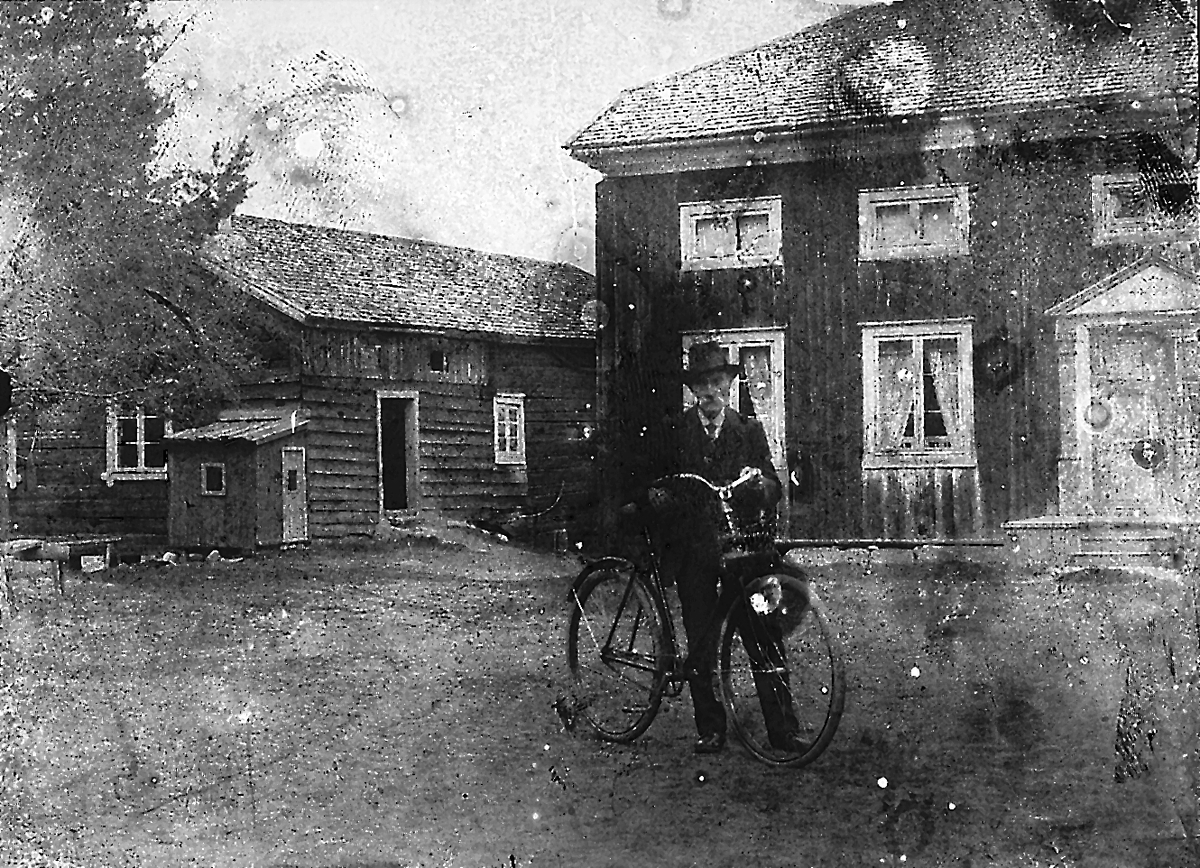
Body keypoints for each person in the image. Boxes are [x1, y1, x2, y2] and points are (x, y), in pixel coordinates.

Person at [644, 341, 800, 755]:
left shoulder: (748, 430)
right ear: (692, 390)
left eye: (717, 381)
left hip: (743, 551)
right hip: (694, 550)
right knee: (701, 639)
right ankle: (710, 727)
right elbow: (658, 483)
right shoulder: (676, 432)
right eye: (702, 384)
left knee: (764, 634)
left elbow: (774, 486)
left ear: (729, 385)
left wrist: (760, 487)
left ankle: (783, 729)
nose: (710, 391)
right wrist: (662, 497)